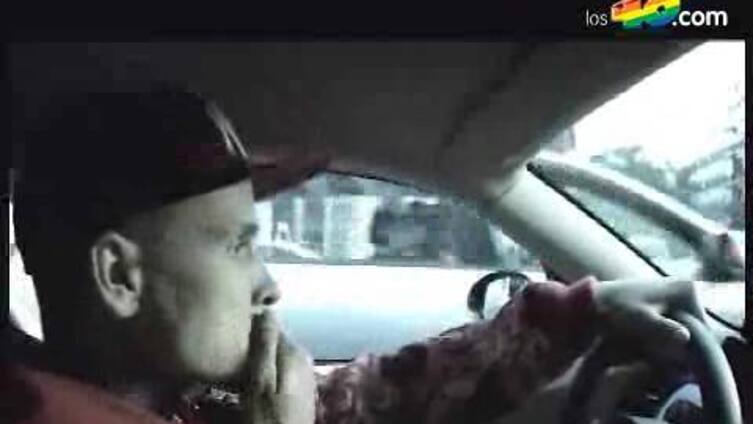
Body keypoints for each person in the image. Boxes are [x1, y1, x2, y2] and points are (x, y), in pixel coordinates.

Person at [4, 87, 704, 424]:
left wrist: (572, 317)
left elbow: (360, 396)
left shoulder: (183, 396)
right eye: (238, 246)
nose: (268, 285)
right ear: (120, 276)